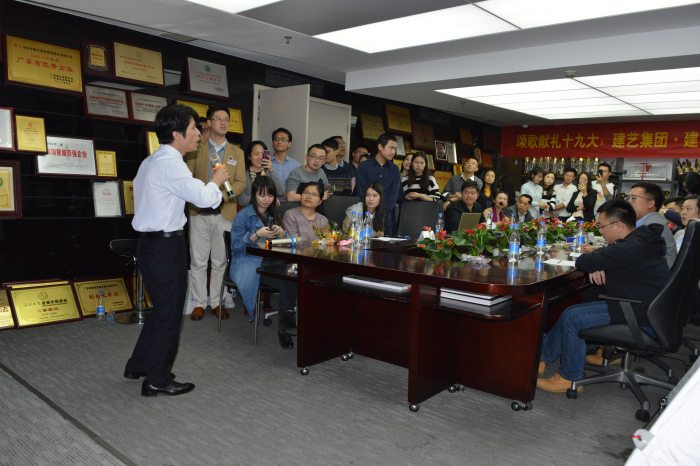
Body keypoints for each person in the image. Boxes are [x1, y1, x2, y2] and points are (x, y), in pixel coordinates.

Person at [125, 103, 229, 397]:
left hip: (151, 245)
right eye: (195, 128)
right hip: (165, 247)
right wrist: (216, 182)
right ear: (176, 133)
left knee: (161, 310)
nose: (199, 133)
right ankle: (157, 379)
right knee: (169, 316)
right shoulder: (171, 164)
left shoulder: (152, 161)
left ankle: (138, 365)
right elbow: (204, 199)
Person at [537, 199, 670, 393]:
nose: (600, 231)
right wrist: (601, 261)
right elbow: (605, 257)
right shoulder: (641, 240)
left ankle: (569, 377)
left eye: (602, 226)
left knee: (572, 317)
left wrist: (598, 262)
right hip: (649, 309)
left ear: (618, 226)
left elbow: (584, 261)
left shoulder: (628, 247)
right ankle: (541, 357)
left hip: (639, 314)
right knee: (572, 310)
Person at [184, 106, 246, 321]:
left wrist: (222, 196)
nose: (223, 122)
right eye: (218, 118)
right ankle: (199, 303)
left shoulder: (237, 152)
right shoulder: (196, 147)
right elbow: (187, 177)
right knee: (198, 261)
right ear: (209, 123)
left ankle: (217, 302)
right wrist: (203, 194)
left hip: (224, 213)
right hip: (198, 212)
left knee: (220, 261)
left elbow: (241, 183)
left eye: (226, 119)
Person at [229, 176, 297, 349]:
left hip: (271, 262)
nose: (267, 199)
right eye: (262, 195)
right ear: (254, 195)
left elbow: (285, 245)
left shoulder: (274, 214)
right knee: (288, 278)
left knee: (293, 273)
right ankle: (285, 326)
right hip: (249, 263)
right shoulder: (244, 215)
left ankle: (285, 323)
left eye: (270, 195)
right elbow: (235, 246)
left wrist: (282, 234)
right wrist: (255, 235)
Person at [356, 133, 402, 236]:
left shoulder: (395, 169)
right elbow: (361, 191)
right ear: (380, 146)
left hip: (386, 217)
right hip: (365, 215)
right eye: (391, 148)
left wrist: (382, 212)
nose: (393, 152)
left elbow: (394, 194)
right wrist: (371, 210)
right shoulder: (364, 166)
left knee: (385, 245)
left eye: (395, 148)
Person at [628, 181, 678, 268]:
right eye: (628, 198)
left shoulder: (653, 226)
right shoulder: (646, 222)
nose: (629, 202)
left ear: (650, 203)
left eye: (633, 198)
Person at [236, 141, 285, 208]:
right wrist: (267, 198)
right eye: (256, 154)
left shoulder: (269, 173)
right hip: (249, 212)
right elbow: (242, 201)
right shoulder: (243, 175)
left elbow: (281, 192)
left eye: (263, 154)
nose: (260, 157)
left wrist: (271, 169)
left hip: (268, 211)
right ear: (249, 156)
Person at [270, 128, 301, 201]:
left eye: (283, 139)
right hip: (269, 202)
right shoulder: (266, 163)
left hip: (289, 203)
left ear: (289, 144)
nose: (279, 142)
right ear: (272, 143)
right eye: (276, 139)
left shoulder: (296, 165)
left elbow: (298, 186)